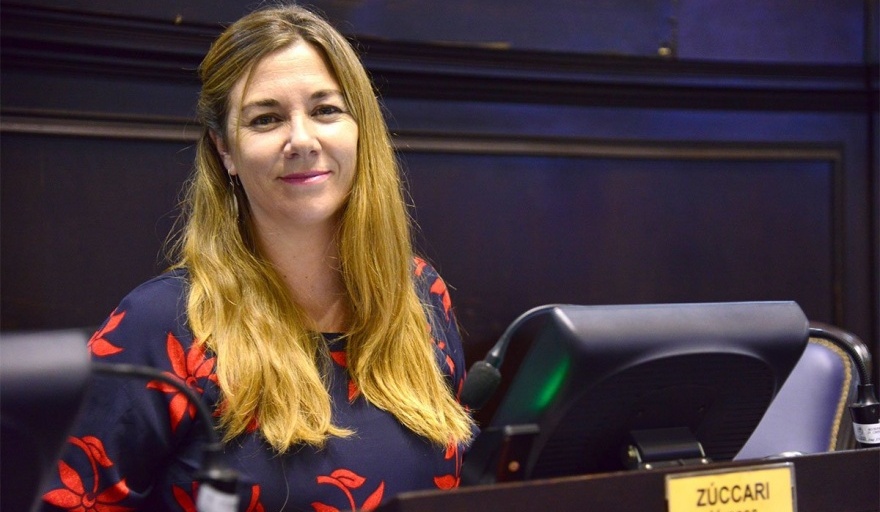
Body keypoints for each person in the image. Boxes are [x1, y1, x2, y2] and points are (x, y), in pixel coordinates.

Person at [40, 4, 475, 511]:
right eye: (266, 119)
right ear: (225, 149)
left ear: (361, 130)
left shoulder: (419, 294)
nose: (302, 140)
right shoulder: (161, 326)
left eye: (326, 110)